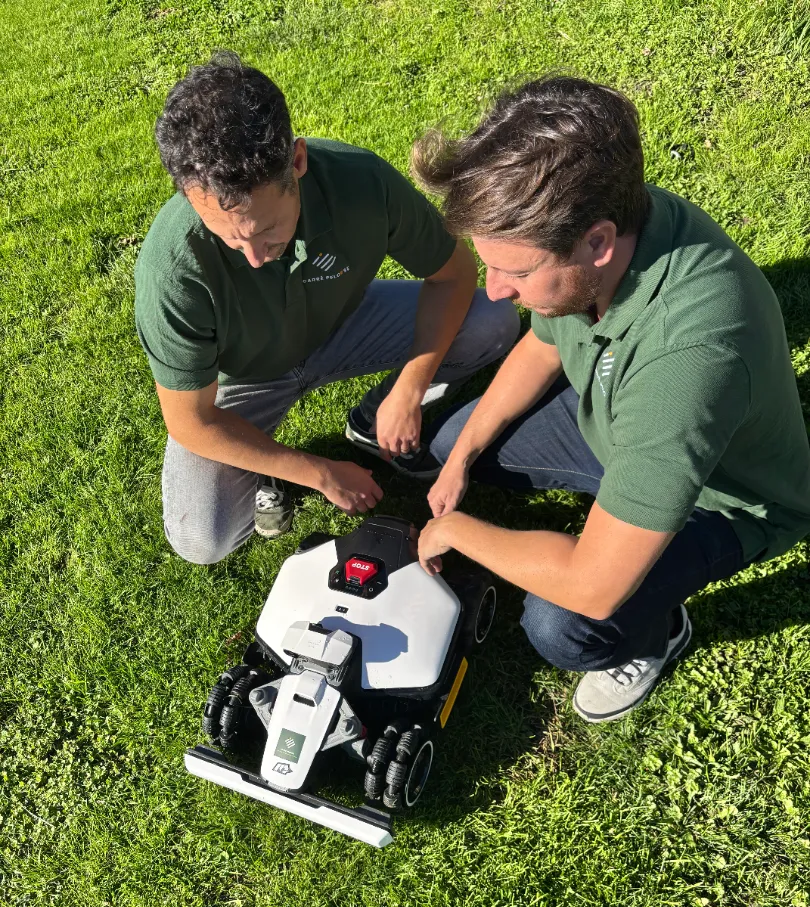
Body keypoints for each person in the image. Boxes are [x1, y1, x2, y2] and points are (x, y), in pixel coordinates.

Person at [412, 76, 810, 722]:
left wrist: (457, 530)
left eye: (515, 271)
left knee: (563, 623)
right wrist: (461, 459)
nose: (494, 292)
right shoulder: (611, 225)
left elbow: (591, 587)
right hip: (621, 419)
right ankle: (622, 510)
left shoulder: (690, 360)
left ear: (597, 242)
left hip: (725, 498)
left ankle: (657, 633)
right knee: (454, 442)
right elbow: (544, 347)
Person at [134, 52, 519, 564]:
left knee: (494, 321)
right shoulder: (171, 266)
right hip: (245, 379)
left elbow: (454, 274)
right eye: (226, 237)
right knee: (203, 539)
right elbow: (191, 422)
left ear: (297, 161)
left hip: (346, 323)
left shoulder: (361, 183)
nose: (251, 257)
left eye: (266, 230)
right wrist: (317, 472)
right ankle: (268, 465)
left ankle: (369, 418)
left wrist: (410, 387)